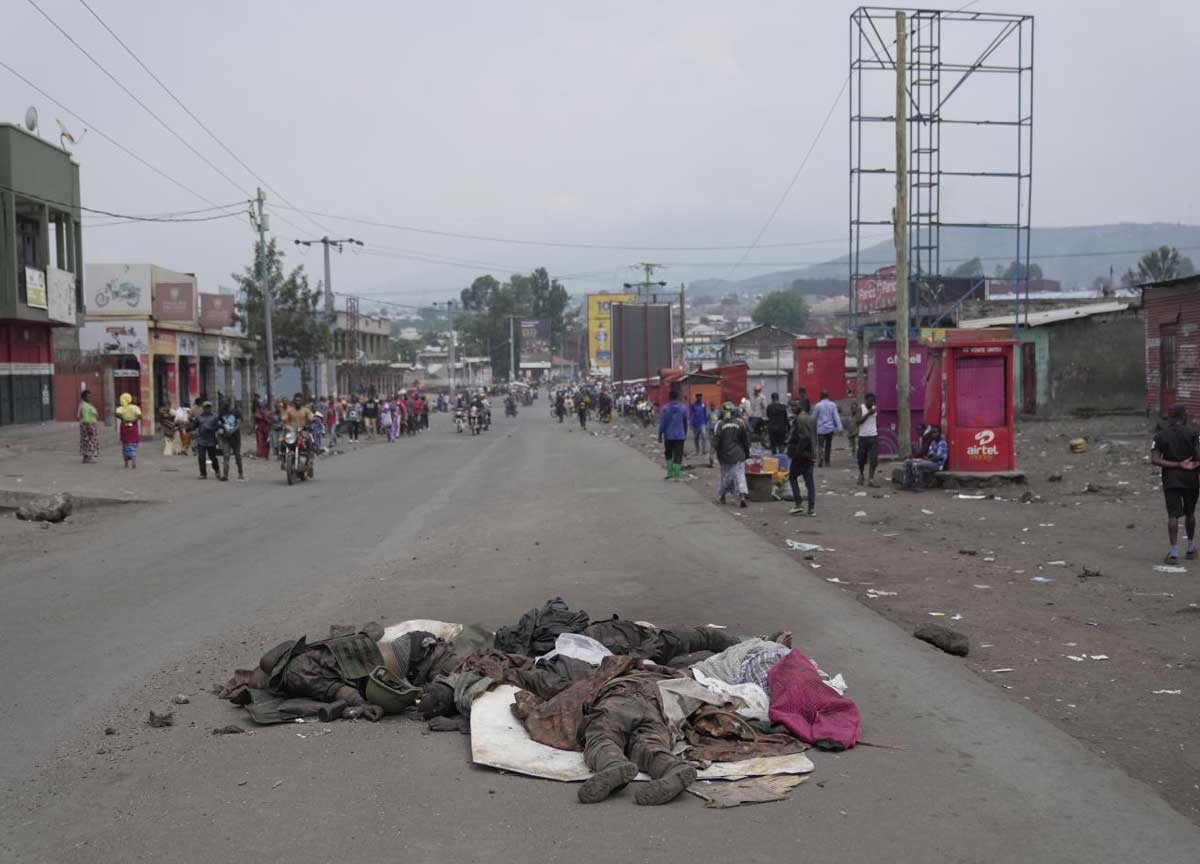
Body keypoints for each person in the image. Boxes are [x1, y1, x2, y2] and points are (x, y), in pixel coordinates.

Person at [1151, 405, 1200, 563]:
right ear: (1184, 416)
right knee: (1190, 513)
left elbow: (1155, 460)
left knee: (1173, 515)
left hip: (1171, 479)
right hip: (1191, 478)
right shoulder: (1194, 433)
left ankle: (1173, 553)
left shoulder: (1160, 436)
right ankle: (1191, 549)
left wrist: (1177, 464)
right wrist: (1191, 464)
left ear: (1170, 418)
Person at [713, 403, 750, 507]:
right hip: (739, 455)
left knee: (726, 477)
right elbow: (746, 441)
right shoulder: (740, 423)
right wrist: (747, 453)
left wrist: (712, 455)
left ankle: (722, 496)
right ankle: (742, 496)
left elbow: (716, 440)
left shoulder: (720, 424)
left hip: (725, 456)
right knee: (740, 476)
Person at [786, 400, 816, 516]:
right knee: (809, 481)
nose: (793, 408)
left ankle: (798, 504)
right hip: (811, 454)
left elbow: (805, 437)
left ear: (802, 406)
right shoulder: (812, 418)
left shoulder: (800, 419)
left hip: (801, 455)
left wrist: (797, 452)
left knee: (792, 477)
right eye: (792, 406)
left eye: (795, 406)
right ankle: (811, 508)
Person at [901, 423, 947, 491]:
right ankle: (907, 484)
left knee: (916, 465)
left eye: (935, 432)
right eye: (932, 432)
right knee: (908, 462)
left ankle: (920, 485)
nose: (933, 434)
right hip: (930, 461)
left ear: (939, 433)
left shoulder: (942, 443)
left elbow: (938, 457)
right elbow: (930, 454)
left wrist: (929, 457)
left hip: (938, 465)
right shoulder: (933, 442)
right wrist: (929, 457)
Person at [657, 387, 688, 481]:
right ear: (678, 397)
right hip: (680, 436)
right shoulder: (683, 408)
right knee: (678, 455)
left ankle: (669, 472)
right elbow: (685, 422)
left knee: (668, 453)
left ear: (669, 397)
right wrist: (685, 433)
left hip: (668, 436)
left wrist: (660, 435)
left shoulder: (665, 408)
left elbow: (662, 423)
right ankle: (677, 476)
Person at [812, 390, 843, 468]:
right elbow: (836, 416)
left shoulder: (818, 405)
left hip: (821, 429)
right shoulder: (832, 405)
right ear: (827, 396)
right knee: (828, 446)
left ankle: (820, 458)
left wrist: (811, 427)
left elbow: (814, 418)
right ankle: (827, 461)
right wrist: (840, 428)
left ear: (821, 396)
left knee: (820, 445)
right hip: (830, 429)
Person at [191, 400, 221, 479]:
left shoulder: (215, 416)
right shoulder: (199, 417)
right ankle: (203, 473)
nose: (207, 409)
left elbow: (218, 427)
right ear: (203, 408)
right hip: (201, 440)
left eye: (209, 407)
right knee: (201, 457)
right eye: (206, 407)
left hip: (211, 440)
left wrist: (212, 429)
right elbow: (193, 426)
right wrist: (189, 426)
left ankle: (217, 471)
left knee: (213, 457)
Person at [218, 401, 245, 482]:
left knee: (237, 456)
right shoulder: (221, 414)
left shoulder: (236, 412)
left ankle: (240, 473)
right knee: (226, 456)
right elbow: (220, 424)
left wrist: (232, 430)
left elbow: (239, 424)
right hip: (226, 438)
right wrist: (222, 429)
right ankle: (225, 475)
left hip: (236, 438)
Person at [856, 392, 879, 487]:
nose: (872, 403)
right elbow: (858, 421)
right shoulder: (861, 408)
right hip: (863, 437)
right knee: (861, 459)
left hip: (873, 436)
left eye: (874, 401)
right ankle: (861, 474)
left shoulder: (875, 408)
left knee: (873, 459)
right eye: (870, 401)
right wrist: (868, 414)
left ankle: (871, 479)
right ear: (866, 400)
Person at [115, 393, 142, 469]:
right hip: (133, 427)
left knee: (125, 445)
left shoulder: (121, 408)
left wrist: (123, 419)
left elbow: (116, 414)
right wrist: (133, 420)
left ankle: (126, 463)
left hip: (124, 427)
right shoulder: (135, 407)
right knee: (133, 444)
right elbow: (139, 416)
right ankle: (133, 460)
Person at [77, 389, 100, 463]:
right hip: (88, 425)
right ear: (83, 398)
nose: (90, 398)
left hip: (88, 425)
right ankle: (88, 457)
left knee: (86, 440)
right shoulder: (85, 406)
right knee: (89, 441)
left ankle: (86, 457)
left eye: (90, 396)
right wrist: (89, 427)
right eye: (88, 397)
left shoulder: (86, 404)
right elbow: (86, 417)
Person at [689, 393, 709, 458]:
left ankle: (704, 450)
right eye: (698, 396)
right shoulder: (693, 405)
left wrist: (706, 422)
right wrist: (691, 423)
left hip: (702, 423)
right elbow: (691, 414)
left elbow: (705, 413)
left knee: (703, 436)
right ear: (696, 397)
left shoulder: (703, 404)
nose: (699, 397)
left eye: (700, 396)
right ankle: (697, 450)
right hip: (695, 423)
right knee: (696, 437)